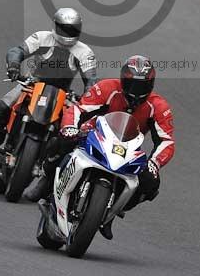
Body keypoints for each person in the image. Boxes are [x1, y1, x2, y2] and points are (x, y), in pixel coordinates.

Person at [28, 55, 175, 241]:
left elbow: (166, 140)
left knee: (151, 183)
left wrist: (155, 162)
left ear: (151, 85)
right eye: (131, 85)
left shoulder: (158, 106)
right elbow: (78, 109)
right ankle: (46, 180)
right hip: (92, 135)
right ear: (123, 81)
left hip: (126, 148)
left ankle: (111, 213)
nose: (136, 91)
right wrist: (70, 128)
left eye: (142, 86)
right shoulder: (107, 88)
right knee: (60, 141)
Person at [0, 8, 98, 152]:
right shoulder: (42, 37)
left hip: (64, 94)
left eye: (72, 30)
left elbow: (91, 80)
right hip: (32, 84)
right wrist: (14, 66)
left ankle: (54, 158)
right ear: (55, 26)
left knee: (71, 130)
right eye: (64, 29)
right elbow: (17, 51)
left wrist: (88, 95)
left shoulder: (84, 52)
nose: (68, 34)